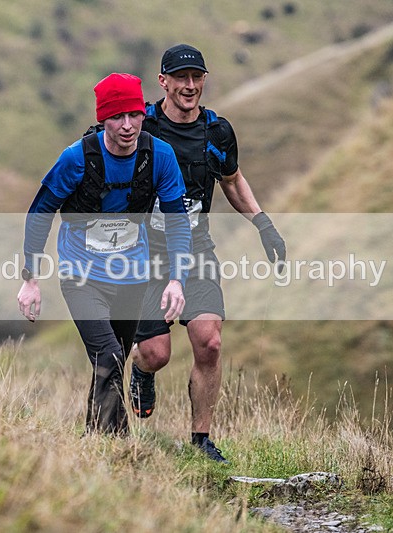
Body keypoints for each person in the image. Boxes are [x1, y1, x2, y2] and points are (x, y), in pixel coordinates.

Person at [128, 45, 286, 462]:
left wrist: (263, 223)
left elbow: (232, 181)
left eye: (197, 77)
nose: (190, 86)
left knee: (210, 342)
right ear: (163, 81)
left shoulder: (217, 132)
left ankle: (201, 440)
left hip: (196, 248)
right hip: (147, 253)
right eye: (181, 78)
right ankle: (141, 371)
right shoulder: (142, 127)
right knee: (156, 353)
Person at [17, 73, 192, 435]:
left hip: (132, 277)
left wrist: (177, 278)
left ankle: (101, 437)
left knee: (112, 362)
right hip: (81, 276)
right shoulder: (75, 159)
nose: (127, 126)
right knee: (109, 356)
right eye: (116, 118)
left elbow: (177, 221)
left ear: (144, 113)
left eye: (134, 115)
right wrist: (30, 280)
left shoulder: (159, 156)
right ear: (103, 120)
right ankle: (110, 439)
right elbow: (40, 214)